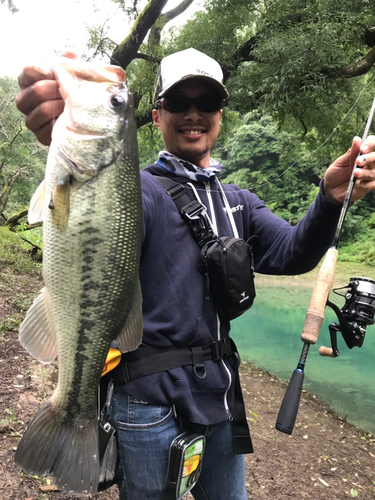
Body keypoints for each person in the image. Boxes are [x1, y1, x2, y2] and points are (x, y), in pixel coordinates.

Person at [16, 48, 375, 500]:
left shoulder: (239, 201)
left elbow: (291, 253)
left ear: (219, 115)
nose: (193, 113)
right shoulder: (137, 188)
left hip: (219, 396)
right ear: (156, 114)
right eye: (178, 102)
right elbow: (96, 207)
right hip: (147, 403)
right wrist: (61, 131)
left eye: (205, 102)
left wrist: (328, 199)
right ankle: (71, 410)